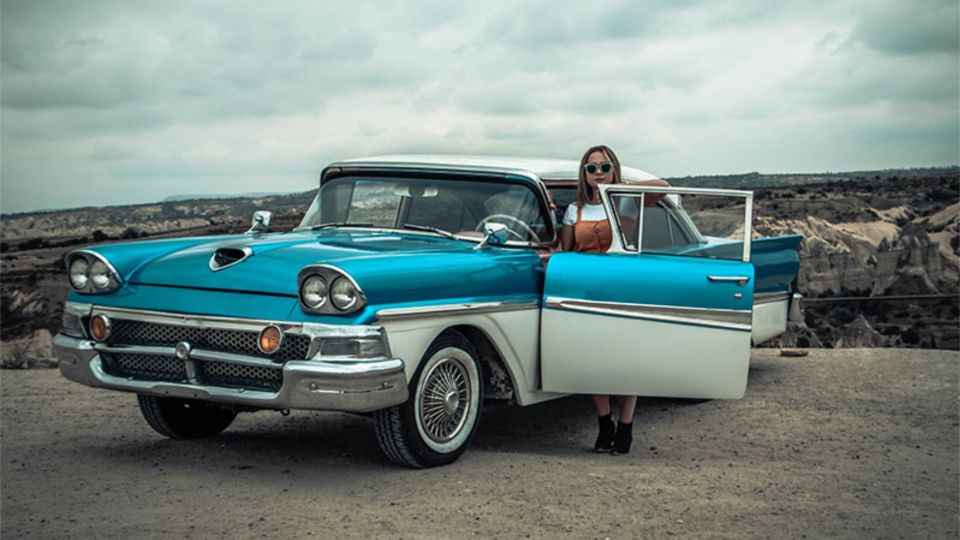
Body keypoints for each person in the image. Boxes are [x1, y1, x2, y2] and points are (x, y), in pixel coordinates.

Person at [559, 145, 669, 455]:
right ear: (584, 173)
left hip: (622, 286)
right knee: (596, 360)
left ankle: (626, 427)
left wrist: (620, 186)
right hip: (588, 290)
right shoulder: (574, 210)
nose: (597, 173)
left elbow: (664, 188)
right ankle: (604, 424)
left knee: (625, 360)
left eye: (604, 167)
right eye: (591, 168)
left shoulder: (626, 203)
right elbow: (565, 253)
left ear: (613, 169)